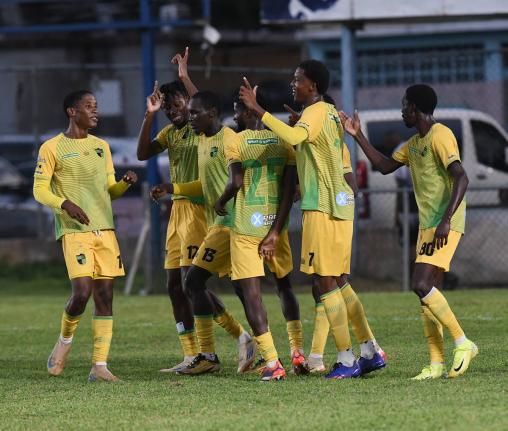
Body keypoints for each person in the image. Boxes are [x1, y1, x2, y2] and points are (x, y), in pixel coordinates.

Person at [240, 60, 385, 379]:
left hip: (323, 209)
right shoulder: (330, 113)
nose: (294, 84)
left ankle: (347, 359)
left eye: (298, 80)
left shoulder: (317, 112)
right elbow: (306, 142)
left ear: (314, 86)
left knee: (324, 283)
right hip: (339, 207)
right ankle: (370, 351)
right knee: (339, 282)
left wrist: (258, 109)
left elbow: (294, 135)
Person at [340, 84, 477, 379]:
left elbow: (462, 178)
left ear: (414, 108)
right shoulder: (414, 144)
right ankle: (436, 363)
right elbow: (384, 166)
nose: (401, 110)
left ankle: (463, 343)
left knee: (420, 283)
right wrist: (357, 135)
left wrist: (446, 220)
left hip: (444, 223)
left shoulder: (441, 135)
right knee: (427, 294)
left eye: (404, 105)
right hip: (428, 226)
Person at [137, 48, 252, 373]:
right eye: (168, 108)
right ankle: (193, 354)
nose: (175, 112)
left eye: (179, 106)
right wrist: (150, 113)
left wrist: (186, 77)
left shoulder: (199, 128)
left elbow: (202, 103)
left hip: (201, 211)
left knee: (193, 281)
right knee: (175, 285)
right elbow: (143, 152)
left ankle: (237, 336)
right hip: (177, 213)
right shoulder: (171, 133)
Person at [33, 90, 138, 382]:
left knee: (105, 295)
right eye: (89, 107)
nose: (95, 112)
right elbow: (39, 190)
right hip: (74, 231)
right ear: (71, 111)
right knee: (82, 293)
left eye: (96, 107)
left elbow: (109, 191)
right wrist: (64, 203)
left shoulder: (101, 146)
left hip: (105, 229)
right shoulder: (51, 147)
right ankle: (64, 343)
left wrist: (124, 184)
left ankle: (100, 366)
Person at [214, 96, 306, 380]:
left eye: (236, 111)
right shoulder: (283, 140)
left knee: (252, 295)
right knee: (284, 286)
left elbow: (237, 181)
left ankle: (272, 363)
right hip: (275, 228)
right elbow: (291, 190)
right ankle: (297, 351)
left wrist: (222, 200)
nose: (234, 117)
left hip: (244, 228)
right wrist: (275, 232)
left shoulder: (235, 142)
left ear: (246, 111)